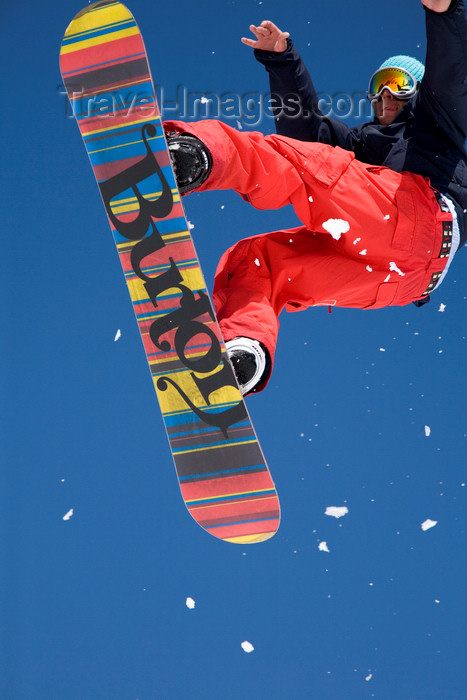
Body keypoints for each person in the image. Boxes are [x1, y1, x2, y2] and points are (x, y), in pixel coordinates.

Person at [164, 0, 466, 395]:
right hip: (398, 282)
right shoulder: (361, 143)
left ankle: (197, 154)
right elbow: (304, 134)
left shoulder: (435, 122)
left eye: (399, 83)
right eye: (378, 86)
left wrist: (445, 12)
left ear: (418, 92)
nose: (387, 94)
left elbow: (450, 71)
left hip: (424, 215)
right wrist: (282, 61)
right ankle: (245, 351)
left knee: (302, 163)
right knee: (256, 261)